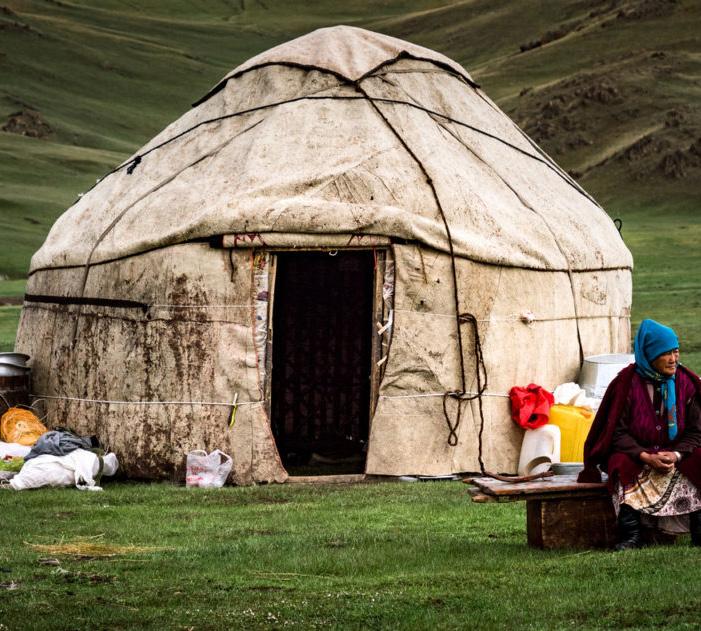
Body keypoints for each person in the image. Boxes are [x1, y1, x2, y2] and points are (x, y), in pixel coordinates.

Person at [578, 319, 701, 550]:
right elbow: (616, 431)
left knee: (700, 459)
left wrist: (675, 454)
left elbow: (696, 431)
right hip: (638, 453)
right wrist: (645, 456)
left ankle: (699, 530)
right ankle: (631, 536)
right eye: (666, 354)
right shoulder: (626, 383)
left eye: (676, 352)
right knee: (620, 463)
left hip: (676, 452)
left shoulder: (686, 383)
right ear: (650, 354)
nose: (674, 359)